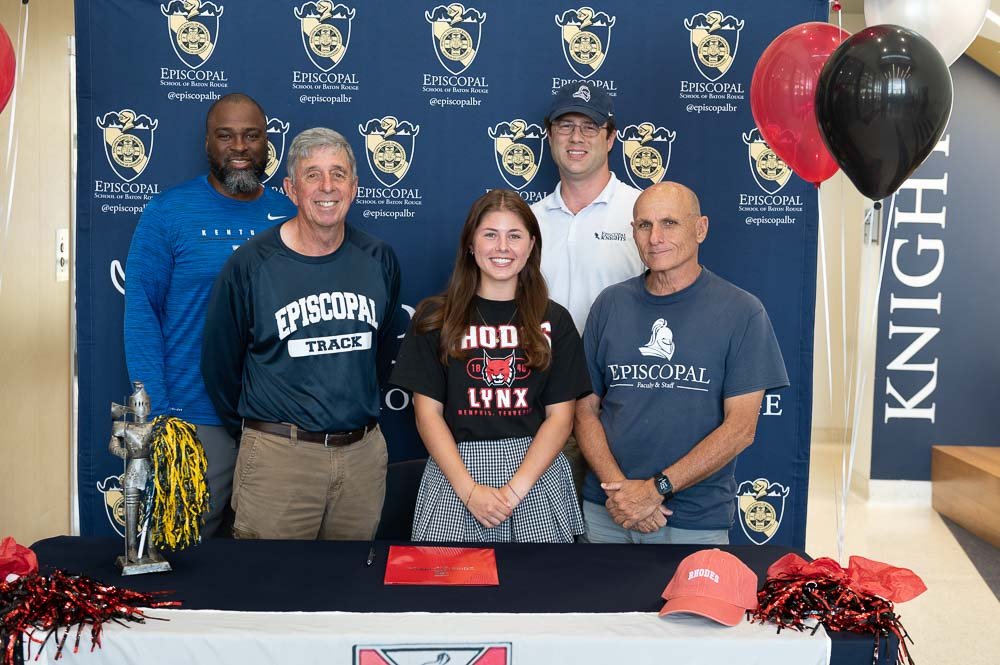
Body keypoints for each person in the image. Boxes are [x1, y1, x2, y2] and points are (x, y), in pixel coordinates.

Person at [201, 127, 401, 541]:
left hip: (361, 458)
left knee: (349, 592)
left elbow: (378, 356)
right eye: (312, 175)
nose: (327, 187)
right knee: (271, 592)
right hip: (280, 458)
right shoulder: (252, 264)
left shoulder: (378, 258)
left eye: (338, 174)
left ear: (355, 187)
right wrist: (265, 438)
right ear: (291, 189)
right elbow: (220, 366)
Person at [575, 182, 789, 544]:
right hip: (607, 510)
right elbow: (583, 410)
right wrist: (621, 492)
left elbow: (741, 429)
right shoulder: (609, 305)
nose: (655, 237)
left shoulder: (742, 311)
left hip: (693, 519)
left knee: (689, 605)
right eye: (644, 225)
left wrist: (657, 489)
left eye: (669, 223)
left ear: (700, 228)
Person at [124, 93, 296, 538]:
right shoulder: (168, 213)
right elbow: (142, 315)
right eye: (226, 135)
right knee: (184, 553)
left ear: (266, 143)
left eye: (251, 135)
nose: (240, 147)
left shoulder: (292, 215)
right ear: (207, 144)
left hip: (276, 423)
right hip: (193, 419)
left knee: (270, 564)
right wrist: (160, 417)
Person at [391, 189, 591, 543]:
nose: (502, 247)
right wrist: (470, 492)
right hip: (457, 473)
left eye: (514, 236)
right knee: (450, 594)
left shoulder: (555, 320)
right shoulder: (435, 317)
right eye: (490, 234)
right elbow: (427, 415)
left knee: (538, 593)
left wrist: (514, 491)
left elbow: (561, 417)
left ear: (531, 245)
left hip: (535, 474)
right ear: (470, 244)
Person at [531, 83, 645, 495]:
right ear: (549, 135)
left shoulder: (641, 213)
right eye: (565, 127)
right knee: (546, 543)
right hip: (542, 409)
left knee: (610, 541)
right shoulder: (527, 221)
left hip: (619, 408)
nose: (576, 138)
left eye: (590, 127)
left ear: (611, 138)